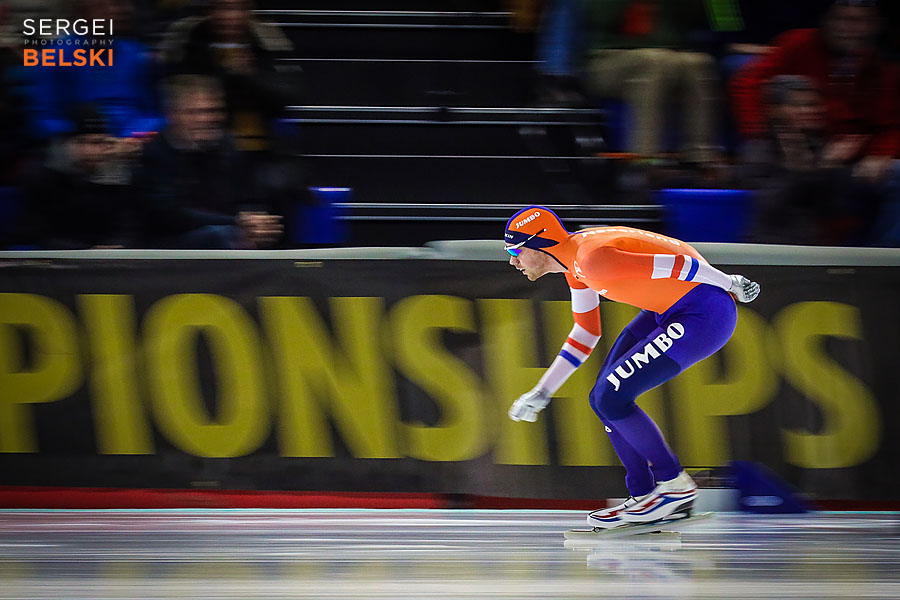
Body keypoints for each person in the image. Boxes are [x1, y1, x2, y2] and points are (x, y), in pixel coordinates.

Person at [504, 206, 760, 528]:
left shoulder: (591, 259)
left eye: (516, 250)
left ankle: (674, 488)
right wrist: (543, 390)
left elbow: (680, 265)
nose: (513, 261)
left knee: (613, 396)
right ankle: (645, 494)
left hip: (703, 314)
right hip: (669, 309)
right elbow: (586, 333)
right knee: (601, 398)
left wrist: (731, 282)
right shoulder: (575, 264)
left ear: (541, 244)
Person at [135, 74, 283, 248]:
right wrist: (237, 222)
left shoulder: (229, 145)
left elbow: (250, 197)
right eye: (195, 112)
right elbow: (170, 216)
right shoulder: (155, 153)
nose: (207, 119)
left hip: (228, 233)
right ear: (172, 114)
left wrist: (258, 222)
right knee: (220, 236)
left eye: (213, 111)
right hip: (168, 247)